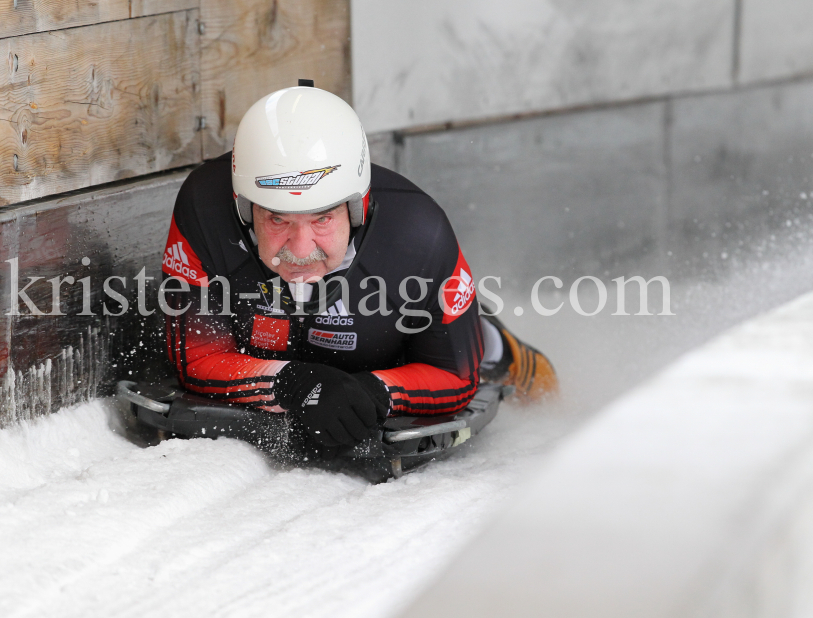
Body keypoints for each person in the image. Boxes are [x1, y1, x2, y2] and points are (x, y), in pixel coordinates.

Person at [161, 81, 557, 452]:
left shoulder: (419, 233)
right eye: (277, 219)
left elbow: (454, 375)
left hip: (396, 346)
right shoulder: (203, 210)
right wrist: (291, 384)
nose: (300, 249)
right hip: (277, 346)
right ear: (244, 209)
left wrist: (375, 392)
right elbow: (197, 358)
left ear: (356, 208)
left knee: (491, 353)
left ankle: (503, 348)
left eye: (322, 219)